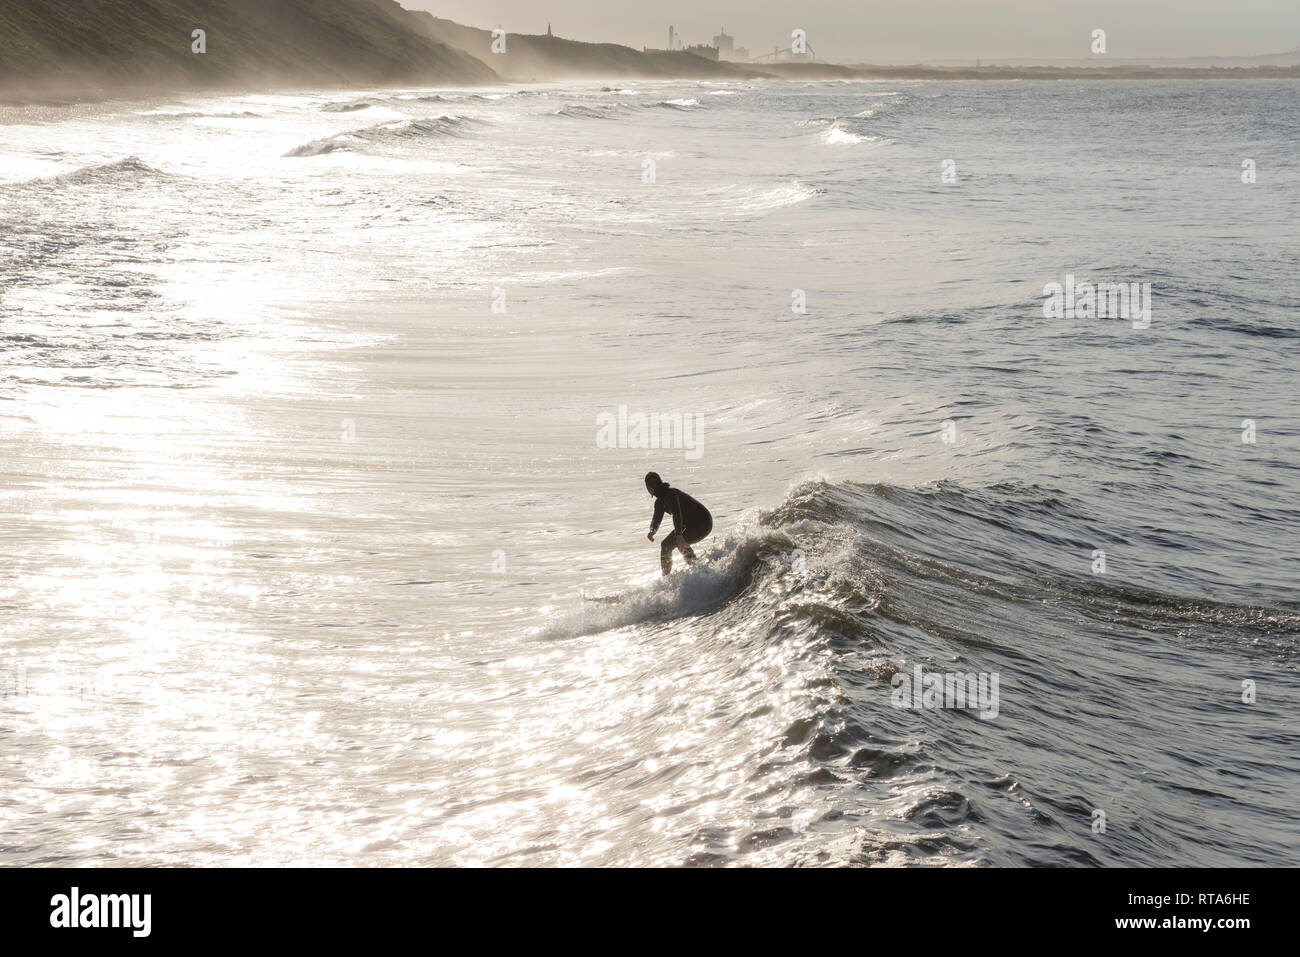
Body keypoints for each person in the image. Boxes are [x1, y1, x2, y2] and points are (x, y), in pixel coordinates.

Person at [644, 472, 713, 576]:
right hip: (690, 524)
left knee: (678, 542)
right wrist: (652, 531)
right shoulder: (659, 502)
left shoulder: (671, 494)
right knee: (666, 545)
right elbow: (657, 518)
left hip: (703, 522)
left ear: (649, 487)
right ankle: (667, 577)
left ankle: (701, 573)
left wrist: (679, 535)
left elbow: (677, 513)